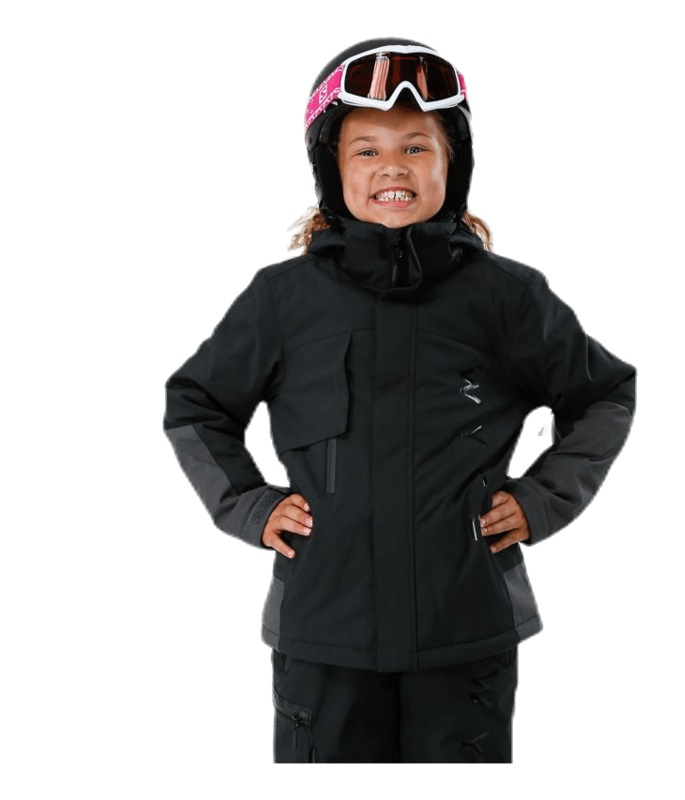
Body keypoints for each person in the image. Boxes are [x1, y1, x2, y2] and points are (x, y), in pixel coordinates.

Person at [163, 38, 636, 763]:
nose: (393, 166)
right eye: (367, 150)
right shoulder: (282, 300)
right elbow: (196, 403)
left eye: (417, 147)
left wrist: (543, 500)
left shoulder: (506, 297)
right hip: (325, 637)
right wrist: (249, 507)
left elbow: (604, 393)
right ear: (332, 169)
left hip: (465, 636)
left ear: (453, 164)